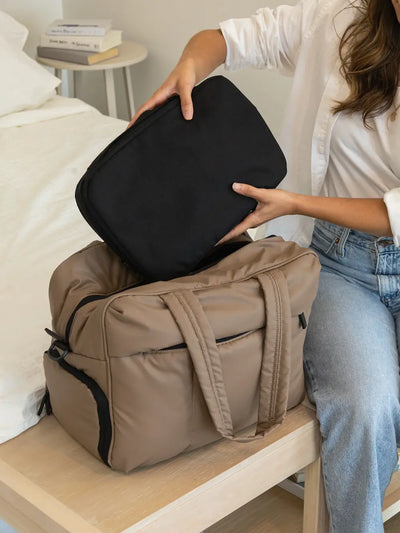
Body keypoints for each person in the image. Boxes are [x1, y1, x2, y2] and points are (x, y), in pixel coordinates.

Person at [128, 1, 400, 531]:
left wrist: (294, 201)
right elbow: (229, 38)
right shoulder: (337, 21)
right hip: (337, 265)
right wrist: (189, 68)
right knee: (366, 408)